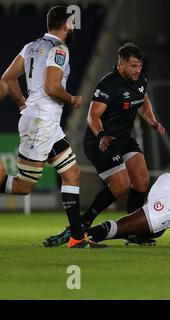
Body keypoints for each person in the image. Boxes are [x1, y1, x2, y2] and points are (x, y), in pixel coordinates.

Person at [0, 5, 104, 249]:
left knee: (72, 174)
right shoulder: (59, 50)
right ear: (66, 25)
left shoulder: (31, 46)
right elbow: (52, 87)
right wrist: (73, 99)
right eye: (72, 24)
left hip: (44, 123)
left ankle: (77, 238)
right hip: (41, 124)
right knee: (23, 186)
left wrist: (22, 104)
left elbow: (7, 78)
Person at [43, 42, 165, 247]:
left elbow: (143, 99)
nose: (138, 70)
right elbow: (93, 116)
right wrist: (101, 135)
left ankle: (132, 231)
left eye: (140, 66)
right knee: (121, 184)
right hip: (101, 141)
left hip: (124, 139)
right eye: (134, 66)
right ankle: (84, 223)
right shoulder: (109, 85)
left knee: (142, 181)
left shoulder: (140, 79)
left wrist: (151, 119)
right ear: (121, 65)